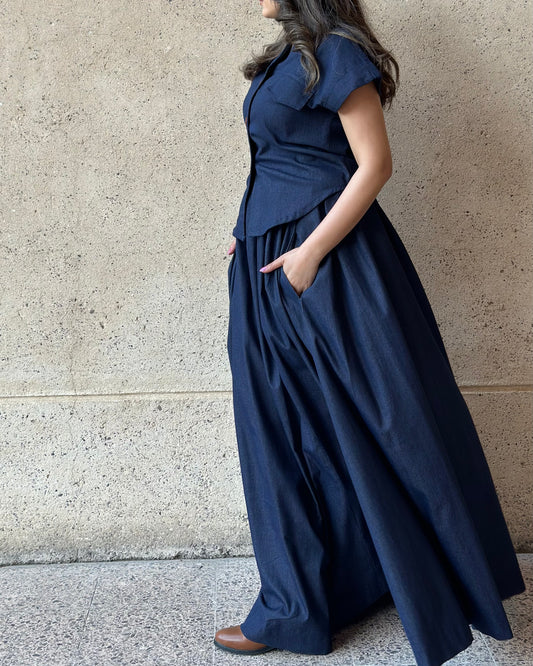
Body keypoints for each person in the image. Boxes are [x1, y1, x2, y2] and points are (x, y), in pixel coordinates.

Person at [214, 1, 526, 664]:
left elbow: (374, 164)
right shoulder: (284, 57)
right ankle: (307, 601)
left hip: (327, 264)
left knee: (378, 425)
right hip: (267, 260)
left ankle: (337, 599)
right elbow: (277, 161)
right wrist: (247, 231)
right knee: (281, 430)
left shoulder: (336, 52)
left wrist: (308, 254)